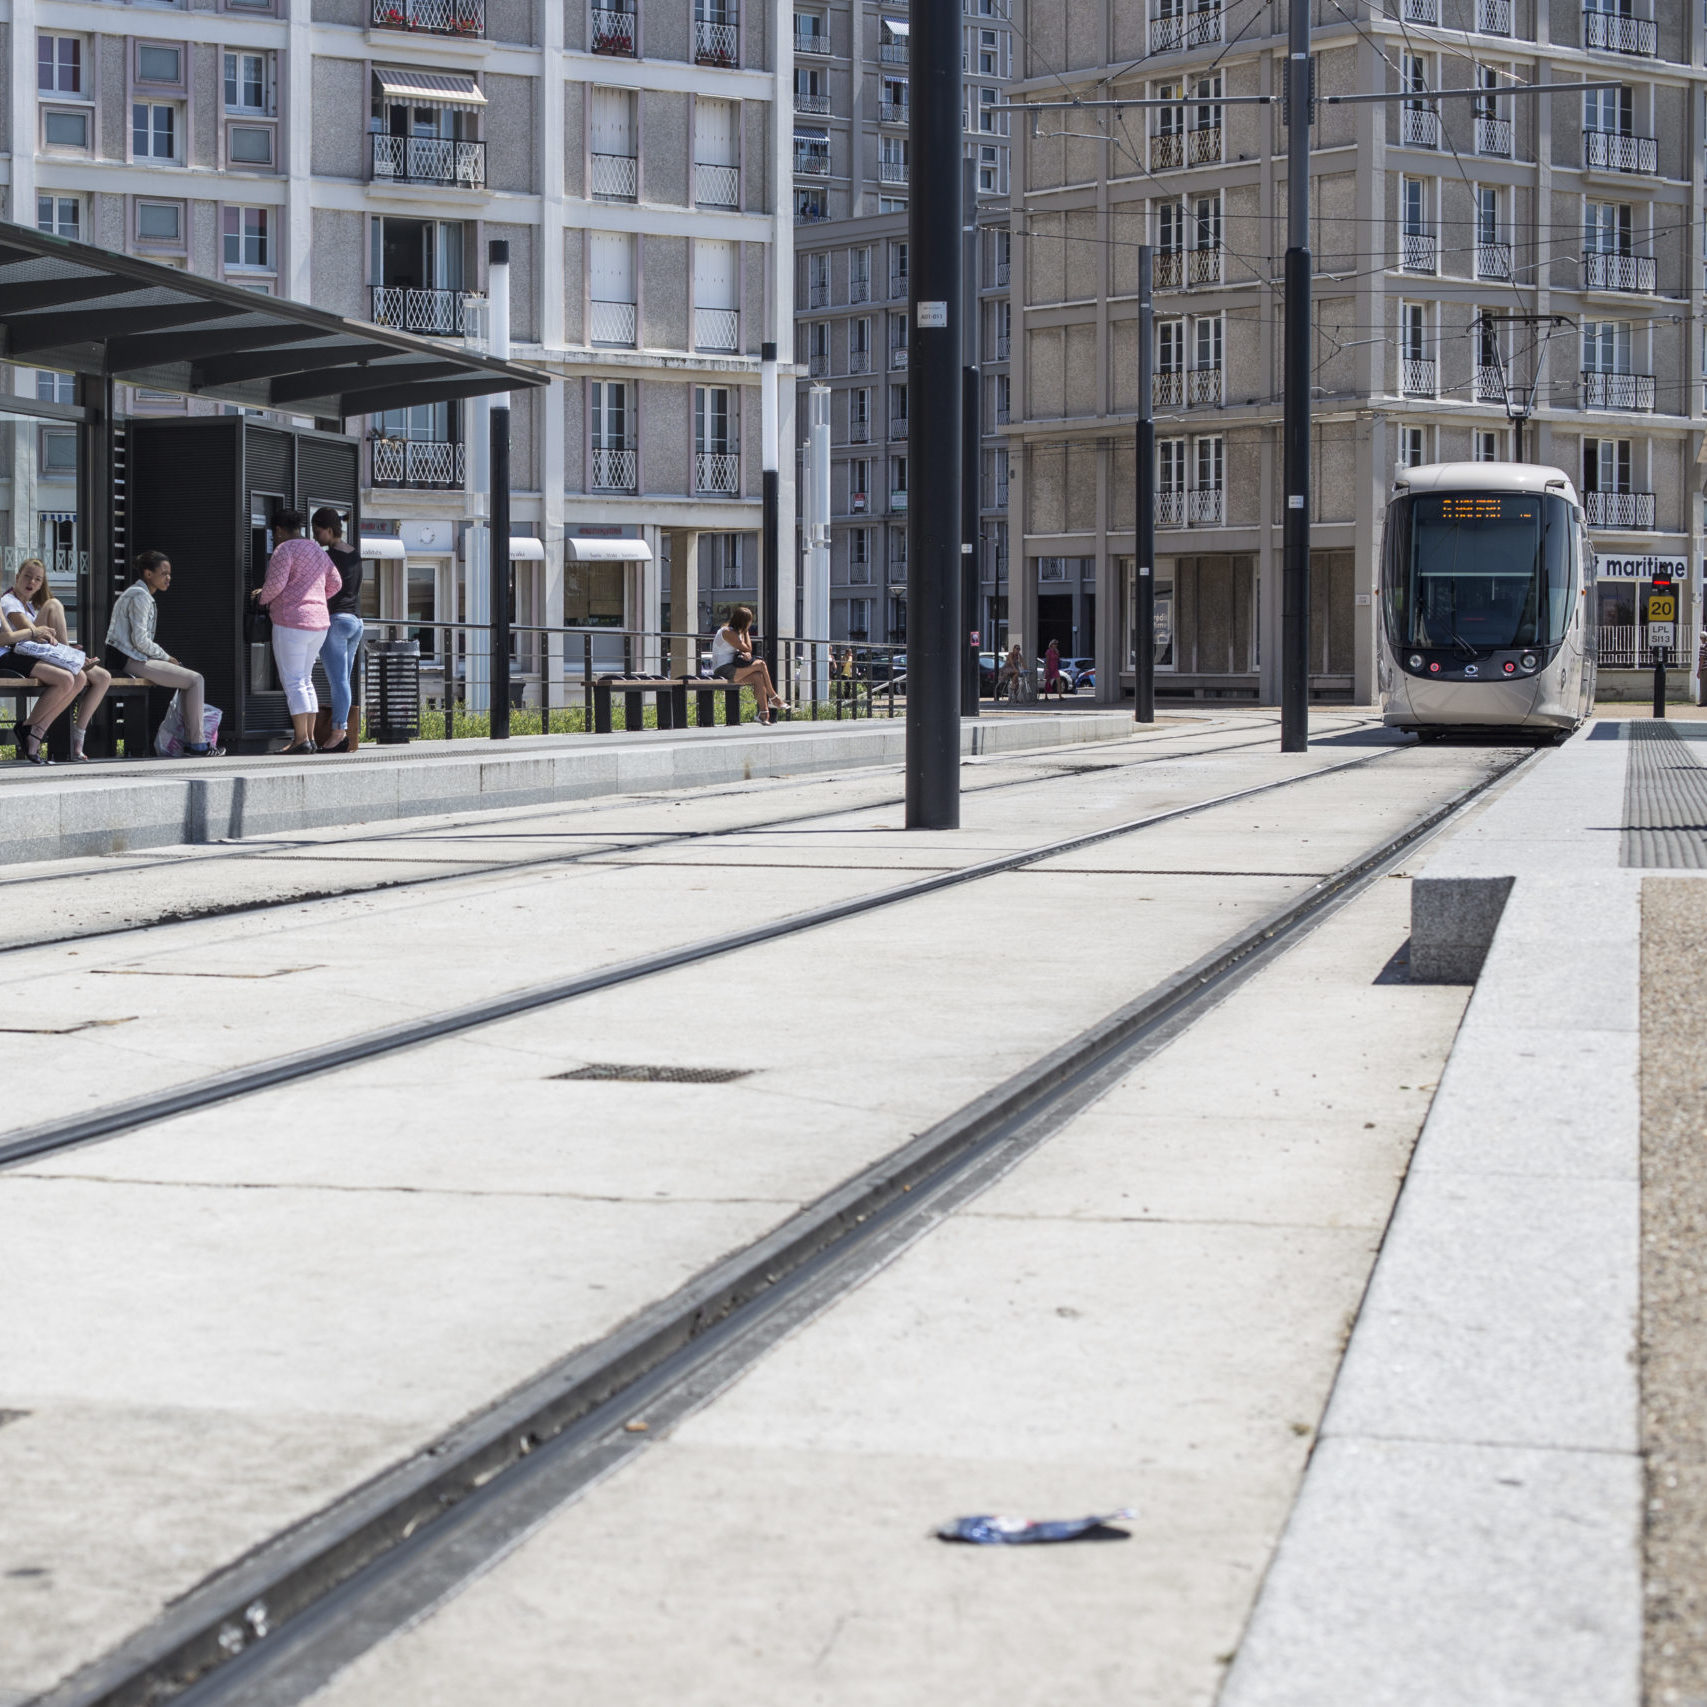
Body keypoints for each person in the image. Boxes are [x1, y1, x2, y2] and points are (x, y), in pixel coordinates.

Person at [106, 550, 223, 757]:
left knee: (190, 680)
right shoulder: (140, 596)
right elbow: (140, 640)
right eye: (163, 573)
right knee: (195, 680)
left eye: (169, 573)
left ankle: (193, 742)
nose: (168, 578)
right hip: (128, 658)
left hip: (130, 656)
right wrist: (166, 657)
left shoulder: (139, 594)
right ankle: (197, 745)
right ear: (148, 574)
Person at [0, 559, 110, 761]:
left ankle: (37, 732)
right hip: (14, 654)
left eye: (37, 579)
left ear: (41, 584)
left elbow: (35, 635)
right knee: (54, 604)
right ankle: (70, 659)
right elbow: (26, 634)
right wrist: (56, 645)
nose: (31, 581)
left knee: (81, 679)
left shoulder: (30, 607)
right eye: (27, 576)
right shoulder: (8, 601)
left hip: (28, 651)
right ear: (17, 578)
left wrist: (54, 644)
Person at [254, 509, 341, 755]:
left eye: (275, 533)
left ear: (279, 530)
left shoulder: (285, 550)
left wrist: (261, 598)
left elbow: (276, 584)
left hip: (291, 621)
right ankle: (310, 738)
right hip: (319, 624)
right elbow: (336, 583)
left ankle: (301, 739)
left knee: (293, 681)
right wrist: (315, 599)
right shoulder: (317, 551)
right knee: (305, 679)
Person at [311, 507, 362, 754]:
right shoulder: (354, 552)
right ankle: (342, 733)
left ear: (329, 530)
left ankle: (338, 734)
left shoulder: (328, 556)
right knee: (344, 681)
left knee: (338, 681)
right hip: (355, 622)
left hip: (336, 622)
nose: (315, 536)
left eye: (317, 531)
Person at [710, 605, 786, 725]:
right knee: (761, 664)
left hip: (732, 668)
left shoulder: (735, 633)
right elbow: (749, 648)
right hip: (723, 670)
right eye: (749, 622)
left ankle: (763, 714)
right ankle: (773, 697)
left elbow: (744, 650)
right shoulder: (728, 632)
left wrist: (745, 654)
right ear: (744, 622)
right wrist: (746, 632)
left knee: (758, 676)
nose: (750, 624)